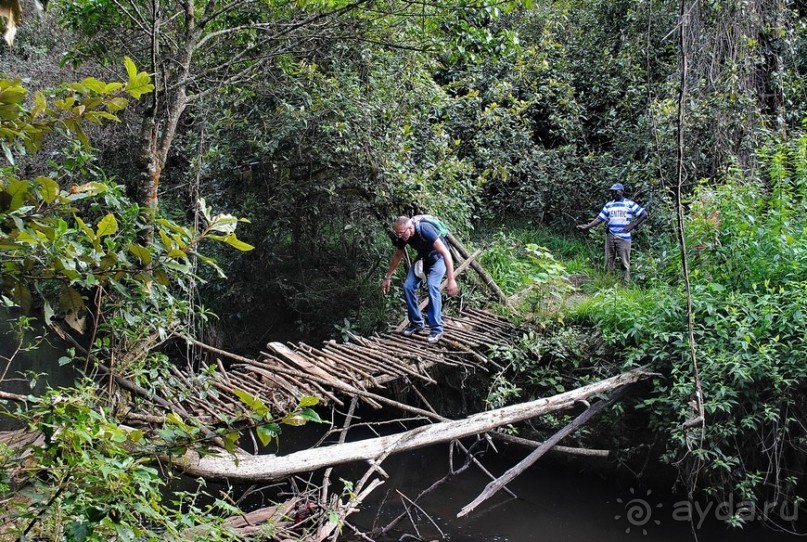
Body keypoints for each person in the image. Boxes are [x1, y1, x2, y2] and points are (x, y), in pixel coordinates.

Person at [381, 215, 459, 344]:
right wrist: (387, 277)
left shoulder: (425, 230)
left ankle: (436, 329)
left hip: (438, 258)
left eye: (402, 233)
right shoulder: (403, 236)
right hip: (423, 259)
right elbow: (397, 255)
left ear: (410, 228)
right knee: (408, 286)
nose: (400, 236)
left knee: (432, 286)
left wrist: (451, 279)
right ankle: (416, 323)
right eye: (398, 233)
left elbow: (445, 253)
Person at [577, 183, 648, 284]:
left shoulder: (629, 204)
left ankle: (625, 286)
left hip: (623, 237)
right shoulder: (609, 205)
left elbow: (644, 214)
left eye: (616, 191)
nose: (613, 193)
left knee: (624, 263)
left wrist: (632, 225)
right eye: (612, 192)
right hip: (610, 236)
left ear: (622, 191)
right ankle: (608, 283)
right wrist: (586, 227)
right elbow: (599, 218)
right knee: (609, 261)